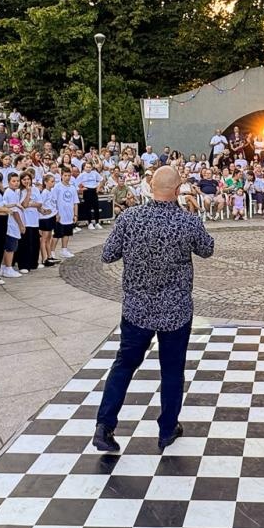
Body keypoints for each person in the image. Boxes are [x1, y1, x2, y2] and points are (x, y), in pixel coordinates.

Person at [91, 166, 214, 454]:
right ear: (178, 189)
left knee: (124, 365)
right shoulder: (187, 221)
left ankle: (104, 426)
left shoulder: (129, 218)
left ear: (151, 187)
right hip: (175, 310)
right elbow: (207, 249)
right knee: (172, 370)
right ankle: (167, 429)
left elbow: (108, 254)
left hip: (137, 308)